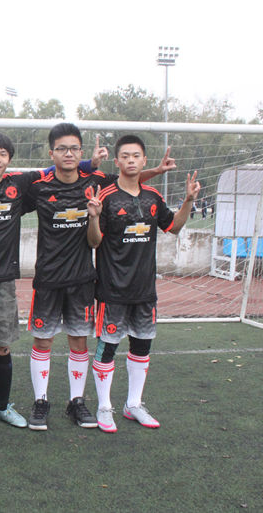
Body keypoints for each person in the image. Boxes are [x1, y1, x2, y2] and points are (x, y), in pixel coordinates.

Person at [24, 123, 173, 432]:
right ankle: (40, 401)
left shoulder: (96, 182)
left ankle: (76, 402)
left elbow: (129, 179)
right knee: (43, 340)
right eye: (62, 149)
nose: (68, 154)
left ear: (81, 151)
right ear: (52, 153)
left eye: (73, 148)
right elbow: (6, 194)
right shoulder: (38, 186)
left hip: (82, 277)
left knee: (78, 341)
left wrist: (157, 171)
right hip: (48, 277)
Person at [0, 132, 91, 432]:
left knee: (1, 348)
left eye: (3, 154)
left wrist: (91, 163)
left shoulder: (20, 186)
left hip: (3, 281)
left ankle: (3, 407)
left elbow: (58, 167)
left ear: (9, 160)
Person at [86, 134, 199, 433]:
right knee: (107, 349)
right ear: (117, 161)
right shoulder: (106, 196)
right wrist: (94, 217)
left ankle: (133, 404)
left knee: (141, 348)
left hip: (145, 290)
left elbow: (174, 226)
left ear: (144, 160)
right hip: (112, 290)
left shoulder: (153, 197)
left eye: (136, 155)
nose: (131, 160)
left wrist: (188, 200)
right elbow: (94, 242)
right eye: (125, 156)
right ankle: (104, 407)